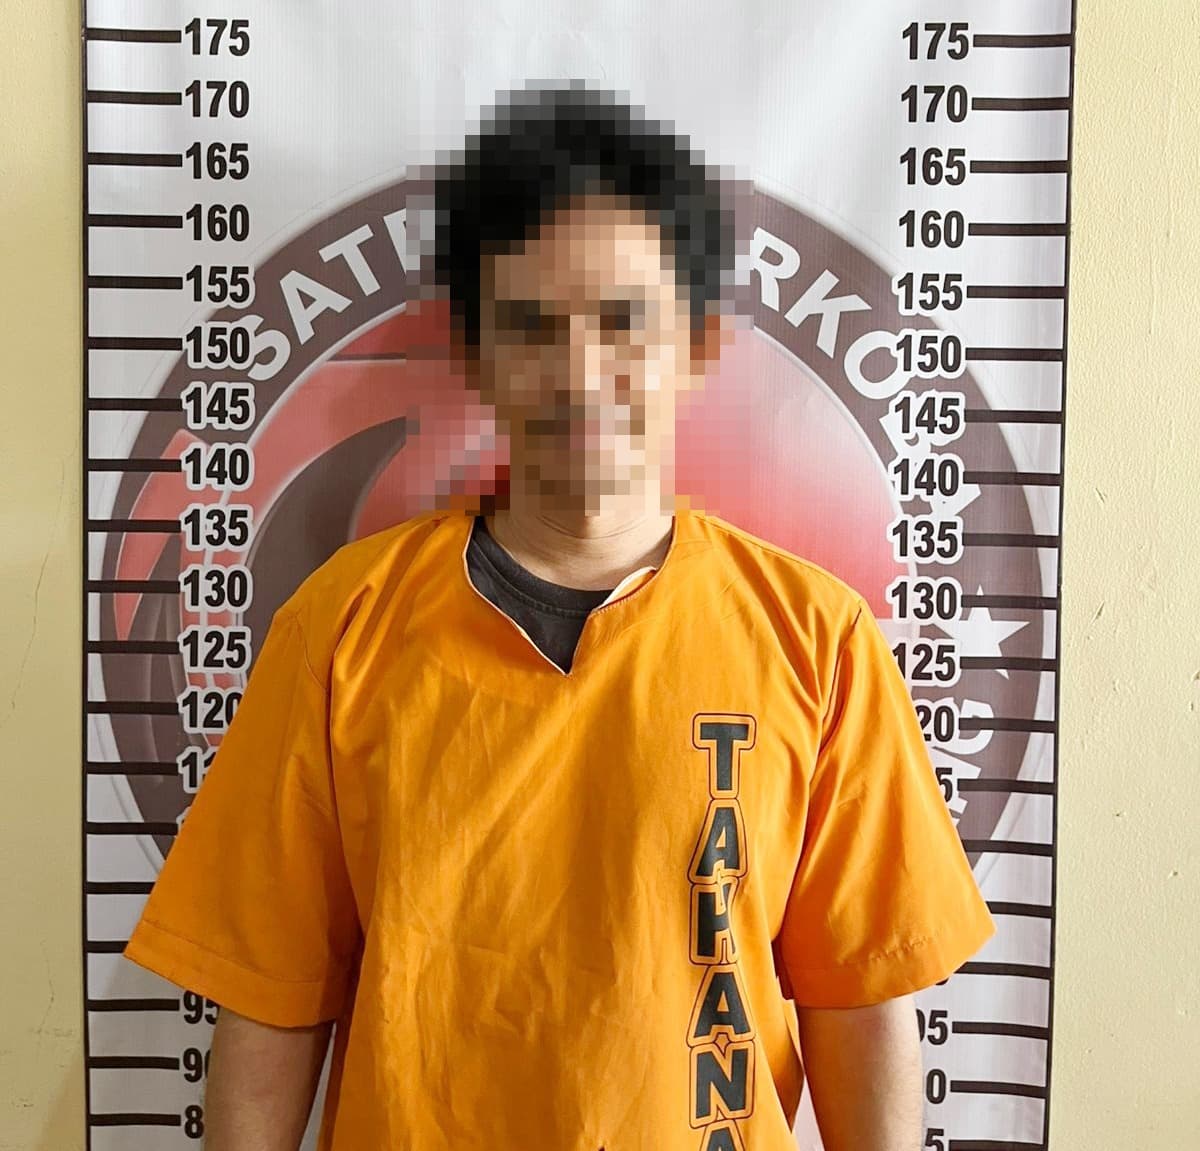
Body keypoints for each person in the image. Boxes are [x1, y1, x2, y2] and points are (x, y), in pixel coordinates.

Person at [124, 82, 995, 1151]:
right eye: (533, 327)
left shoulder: (817, 639)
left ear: (697, 346)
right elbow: (268, 1001)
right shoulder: (342, 628)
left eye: (625, 322)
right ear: (475, 354)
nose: (581, 376)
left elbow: (862, 1002)